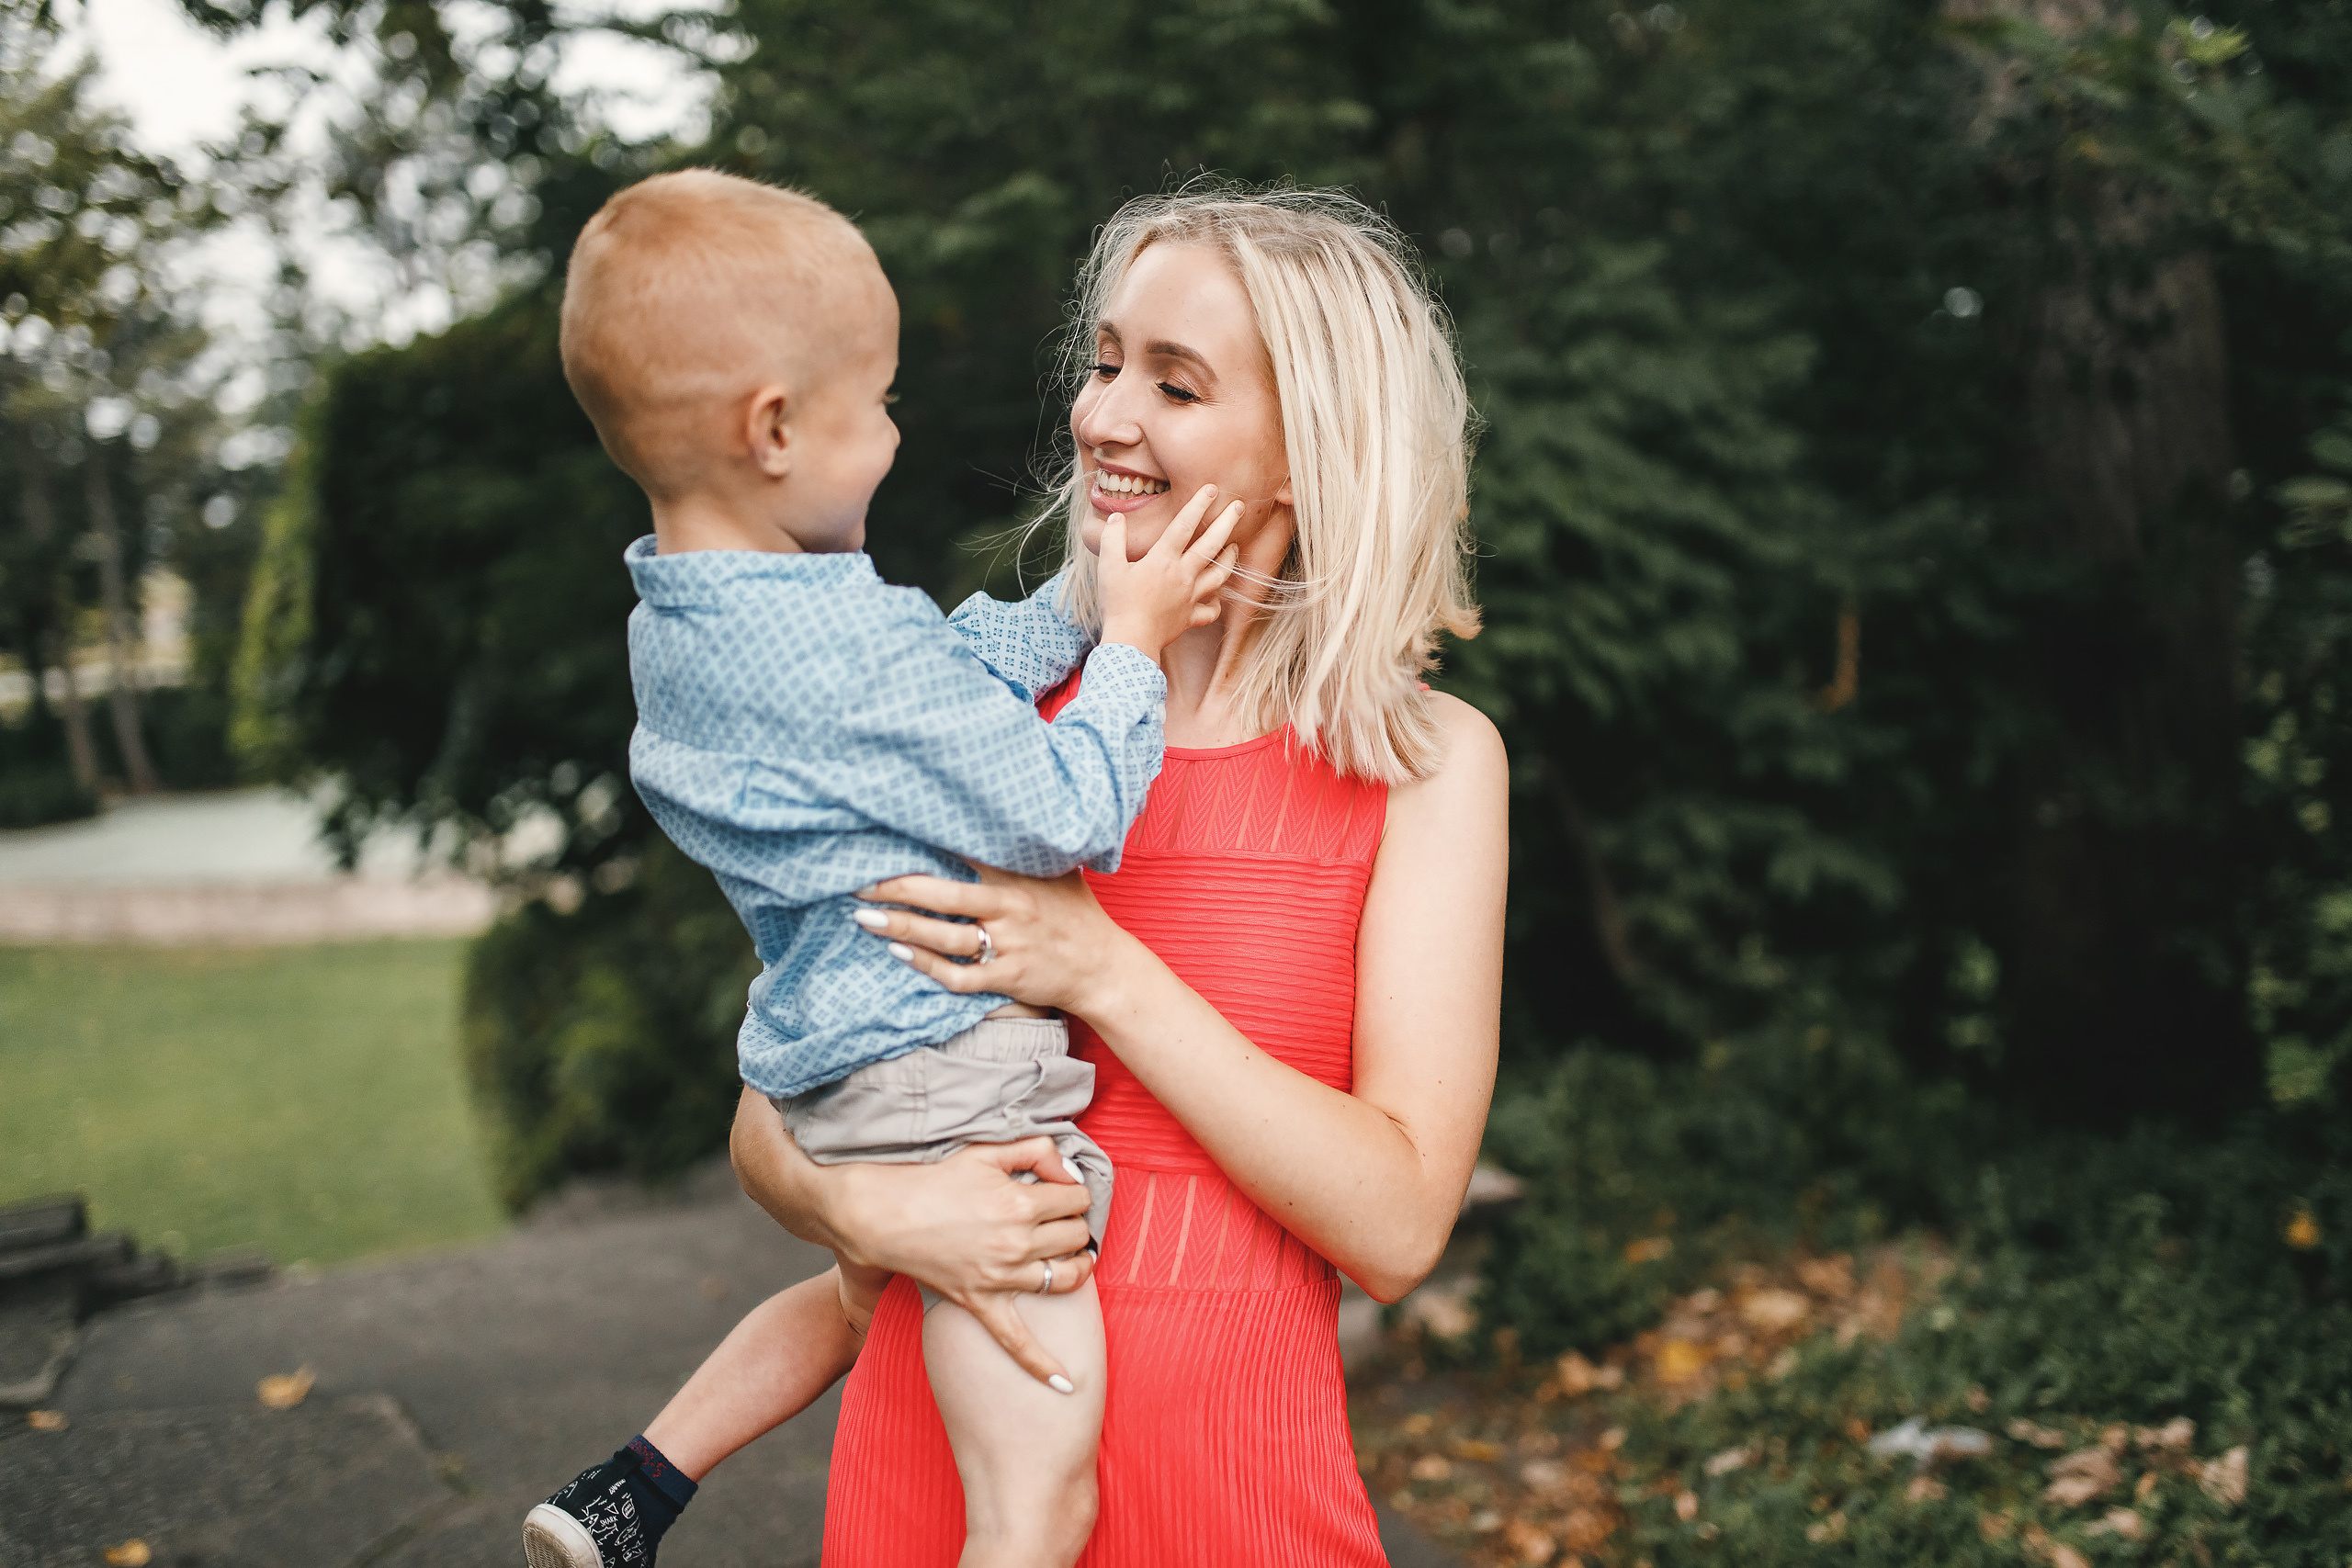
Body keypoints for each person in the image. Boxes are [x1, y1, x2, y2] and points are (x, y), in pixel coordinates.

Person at [726, 187, 1510, 1564]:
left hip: (1235, 1496)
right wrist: (873, 1214)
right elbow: (770, 1111)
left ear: (1308, 447)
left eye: (1176, 383)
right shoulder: (977, 725)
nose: (1102, 417)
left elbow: (1396, 1225)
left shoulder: (1431, 769)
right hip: (945, 1480)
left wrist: (1102, 970)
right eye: (1103, 364)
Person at [521, 168, 1240, 1568]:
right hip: (954, 1086)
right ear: (775, 427)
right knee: (1038, 1512)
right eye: (881, 404)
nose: (898, 437)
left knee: (861, 1307)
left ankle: (636, 1489)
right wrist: (1139, 647)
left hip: (835, 1063)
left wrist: (1090, 596)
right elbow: (1064, 805)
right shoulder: (838, 651)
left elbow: (938, 685)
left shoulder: (690, 617)